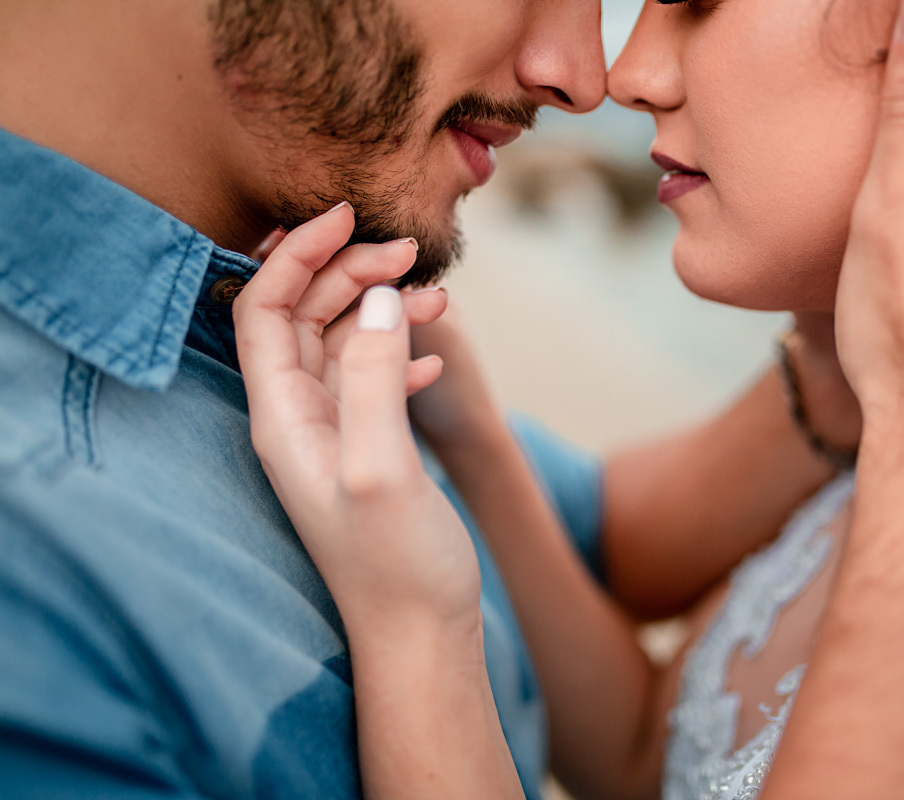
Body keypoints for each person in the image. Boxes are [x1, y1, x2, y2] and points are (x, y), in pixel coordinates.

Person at [237, 0, 904, 797]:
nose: (628, 75)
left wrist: (413, 627)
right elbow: (648, 757)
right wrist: (474, 446)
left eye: (698, 4)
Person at [0, 1, 620, 796]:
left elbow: (601, 531)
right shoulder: (34, 594)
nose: (578, 77)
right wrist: (420, 634)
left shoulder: (298, 300)